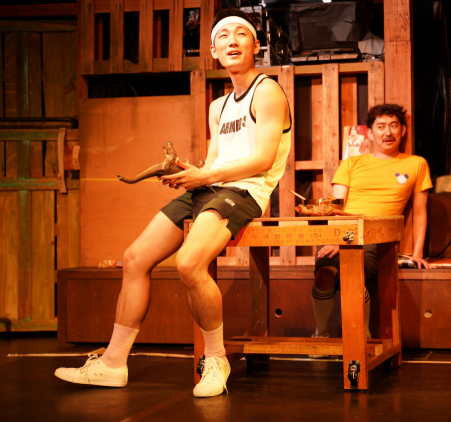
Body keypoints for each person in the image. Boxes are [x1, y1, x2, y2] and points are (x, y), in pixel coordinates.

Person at [55, 8, 291, 398]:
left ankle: (216, 359)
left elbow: (264, 159)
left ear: (255, 45)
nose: (232, 41)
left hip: (245, 192)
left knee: (188, 263)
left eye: (241, 34)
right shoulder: (218, 106)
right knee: (134, 259)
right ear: (213, 51)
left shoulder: (267, 90)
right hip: (213, 187)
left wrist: (206, 176)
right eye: (223, 37)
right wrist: (190, 172)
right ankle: (113, 364)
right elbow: (214, 163)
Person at [310, 104, 434, 355]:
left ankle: (362, 340)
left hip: (376, 239)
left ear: (403, 131)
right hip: (341, 234)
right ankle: (320, 335)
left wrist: (417, 253)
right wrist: (340, 239)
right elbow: (336, 206)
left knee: (353, 273)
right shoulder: (351, 163)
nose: (388, 132)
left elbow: (421, 212)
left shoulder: (417, 163)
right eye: (381, 126)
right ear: (370, 133)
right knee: (325, 273)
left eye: (394, 126)